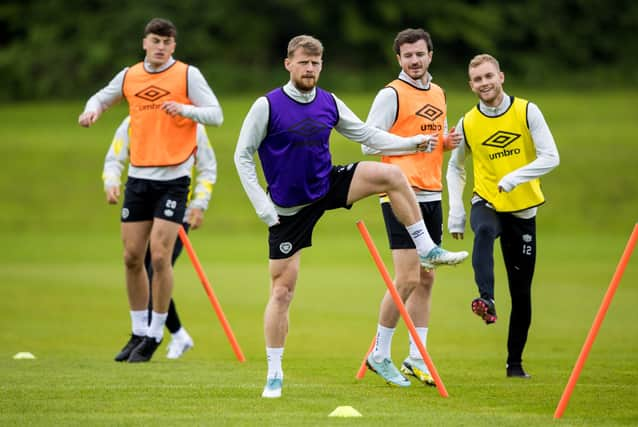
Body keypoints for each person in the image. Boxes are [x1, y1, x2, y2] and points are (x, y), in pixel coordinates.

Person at [234, 34, 468, 398]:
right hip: (286, 208)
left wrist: (408, 144)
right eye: (303, 62)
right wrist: (262, 207)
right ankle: (274, 373)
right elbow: (242, 156)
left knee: (391, 175)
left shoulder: (329, 102)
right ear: (288, 64)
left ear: (321, 66)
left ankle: (426, 248)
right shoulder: (267, 106)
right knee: (282, 292)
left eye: (315, 63)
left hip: (327, 184)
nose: (309, 69)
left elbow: (366, 134)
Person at [78, 17, 223, 363]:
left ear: (174, 46)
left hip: (174, 180)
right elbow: (103, 97)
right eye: (155, 40)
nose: (160, 47)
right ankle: (138, 332)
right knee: (131, 258)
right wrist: (92, 110)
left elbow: (216, 114)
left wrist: (185, 109)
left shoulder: (188, 75)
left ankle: (157, 332)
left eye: (166, 42)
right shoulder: (130, 76)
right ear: (145, 42)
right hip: (139, 180)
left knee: (159, 257)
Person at [446, 54, 559, 378]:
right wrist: (456, 211)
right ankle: (486, 300)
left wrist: (515, 178)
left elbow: (551, 156)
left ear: (501, 77)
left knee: (521, 293)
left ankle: (515, 363)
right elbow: (455, 167)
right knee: (482, 231)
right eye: (478, 79)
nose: (484, 83)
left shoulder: (526, 110)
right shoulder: (468, 122)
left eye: (488, 76)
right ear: (471, 85)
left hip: (522, 209)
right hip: (488, 201)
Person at [362, 28, 462, 387]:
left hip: (432, 193)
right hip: (400, 193)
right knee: (405, 278)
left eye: (420, 54)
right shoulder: (391, 94)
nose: (414, 61)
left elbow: (433, 142)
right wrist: (410, 144)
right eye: (408, 56)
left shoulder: (438, 92)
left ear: (430, 55)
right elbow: (368, 143)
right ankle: (380, 353)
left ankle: (417, 357)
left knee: (426, 278)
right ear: (399, 59)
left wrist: (447, 143)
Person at [103, 116, 217, 360]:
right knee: (137, 263)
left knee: (157, 266)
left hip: (177, 210)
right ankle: (171, 334)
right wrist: (111, 180)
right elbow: (116, 155)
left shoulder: (191, 123)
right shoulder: (136, 118)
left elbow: (208, 167)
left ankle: (158, 335)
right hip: (141, 200)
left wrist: (199, 204)